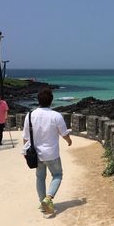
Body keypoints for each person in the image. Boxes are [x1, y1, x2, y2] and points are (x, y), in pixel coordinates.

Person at [22, 86, 72, 215]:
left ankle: (43, 203)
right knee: (57, 175)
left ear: (38, 100)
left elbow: (26, 137)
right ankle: (48, 198)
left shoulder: (30, 115)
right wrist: (69, 141)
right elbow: (64, 133)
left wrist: (26, 152)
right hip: (52, 154)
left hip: (36, 154)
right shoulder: (56, 116)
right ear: (51, 100)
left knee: (40, 178)